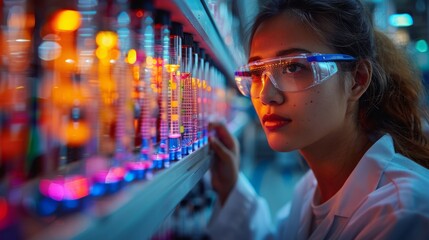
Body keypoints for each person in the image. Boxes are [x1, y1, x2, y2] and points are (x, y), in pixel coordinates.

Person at [206, 0, 429, 239]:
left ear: (357, 80)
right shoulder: (311, 188)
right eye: (257, 72)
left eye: (293, 68)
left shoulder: (403, 213)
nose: (266, 95)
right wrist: (230, 188)